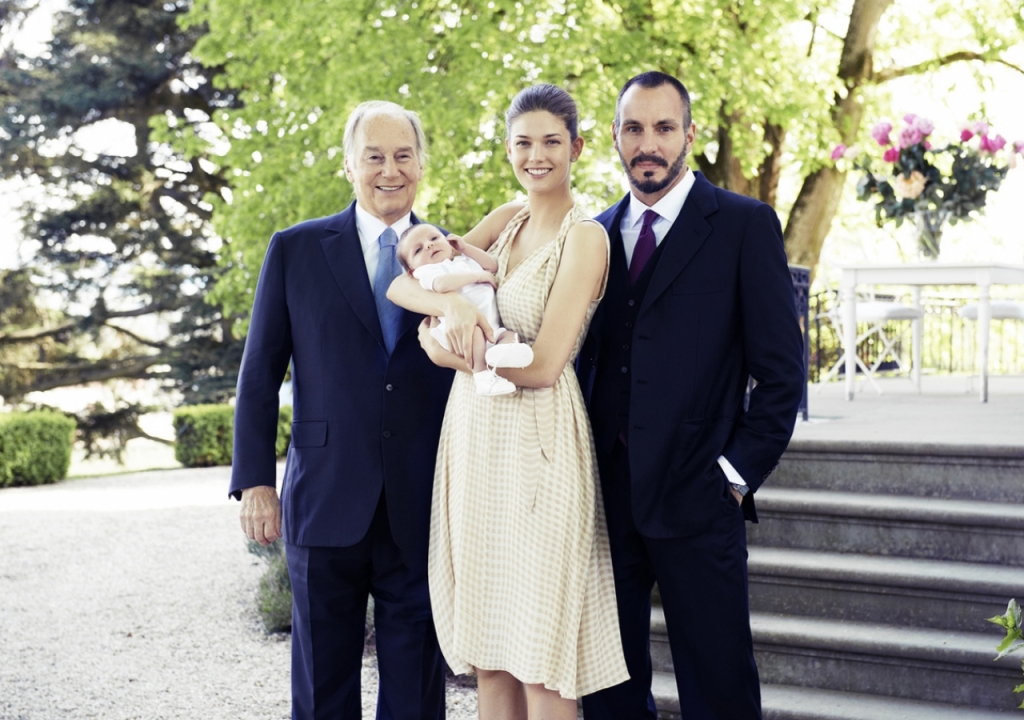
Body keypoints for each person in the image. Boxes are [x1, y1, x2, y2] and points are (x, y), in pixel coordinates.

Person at [387, 83, 628, 720]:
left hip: (540, 445)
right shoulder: (504, 220)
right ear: (508, 150)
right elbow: (405, 286)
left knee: (543, 661)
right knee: (490, 655)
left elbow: (546, 364)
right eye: (523, 143)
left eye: (552, 141)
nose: (537, 155)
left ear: (576, 147)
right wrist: (453, 304)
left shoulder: (587, 238)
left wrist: (460, 349)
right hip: (474, 443)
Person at [576, 71, 806, 720]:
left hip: (700, 498)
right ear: (615, 138)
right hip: (604, 504)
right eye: (633, 128)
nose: (648, 144)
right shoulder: (591, 235)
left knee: (719, 687)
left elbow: (783, 374)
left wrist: (733, 476)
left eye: (663, 128)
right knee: (608, 693)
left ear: (689, 135)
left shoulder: (742, 225)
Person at [229, 100, 455, 720]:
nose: (390, 170)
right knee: (322, 681)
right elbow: (259, 373)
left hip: (422, 498)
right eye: (375, 156)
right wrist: (254, 481)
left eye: (403, 155)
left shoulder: (449, 258)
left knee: (415, 687)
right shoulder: (296, 249)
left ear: (421, 164)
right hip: (325, 496)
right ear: (349, 165)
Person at [396, 223, 534, 395]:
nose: (429, 245)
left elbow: (491, 266)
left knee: (510, 335)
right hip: (461, 331)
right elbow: (441, 285)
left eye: (434, 238)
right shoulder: (428, 273)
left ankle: (503, 355)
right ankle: (482, 376)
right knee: (474, 332)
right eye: (418, 250)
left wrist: (466, 248)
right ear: (411, 270)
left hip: (491, 328)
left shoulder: (464, 261)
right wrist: (477, 276)